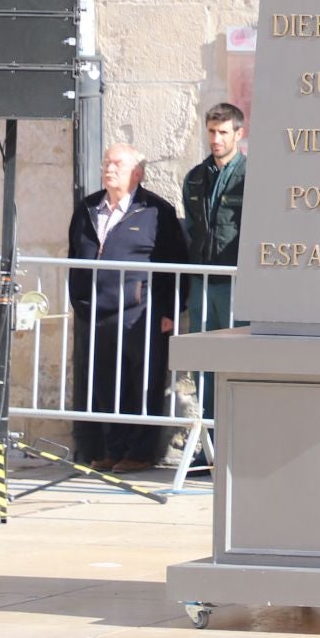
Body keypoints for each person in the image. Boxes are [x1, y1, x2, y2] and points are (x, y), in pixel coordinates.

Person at [66, 143, 188, 473]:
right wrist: (79, 301)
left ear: (138, 173)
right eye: (106, 162)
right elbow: (75, 256)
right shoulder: (89, 208)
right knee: (105, 384)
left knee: (143, 383)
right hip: (97, 312)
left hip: (141, 311)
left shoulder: (155, 210)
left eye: (117, 164)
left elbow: (176, 262)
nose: (109, 169)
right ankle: (113, 449)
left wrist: (171, 311)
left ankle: (140, 452)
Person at [178, 102, 247, 434]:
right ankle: (208, 444)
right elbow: (192, 228)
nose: (216, 139)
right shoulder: (195, 178)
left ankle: (236, 438)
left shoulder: (250, 177)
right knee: (203, 364)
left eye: (223, 132)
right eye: (211, 132)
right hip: (202, 282)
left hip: (235, 284)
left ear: (238, 134)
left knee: (236, 363)